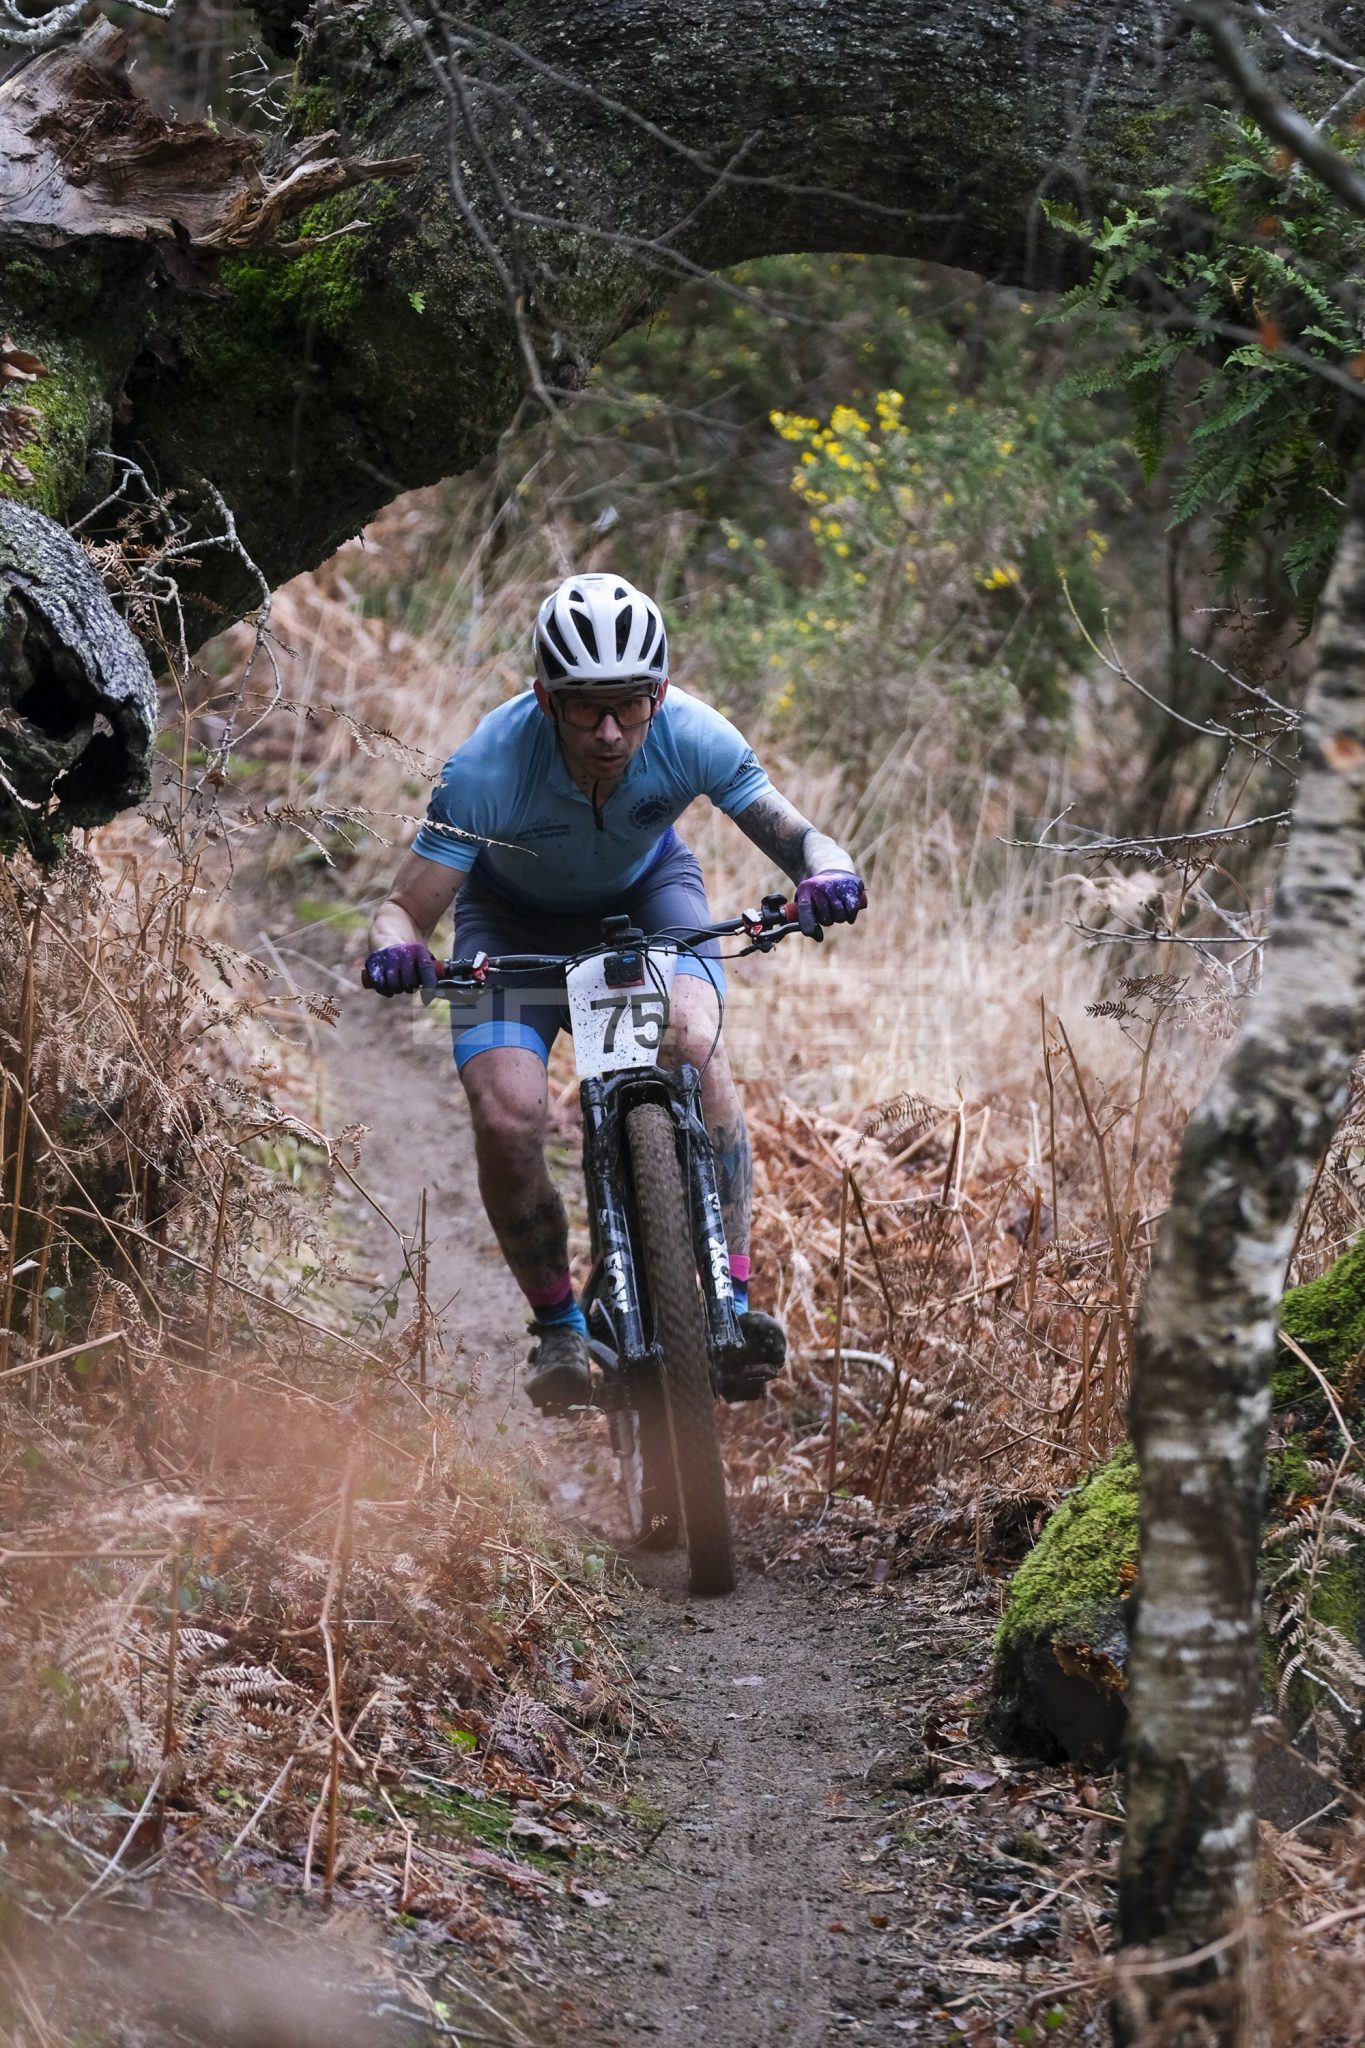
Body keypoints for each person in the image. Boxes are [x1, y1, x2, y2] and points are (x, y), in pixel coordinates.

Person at [364, 572, 865, 1414]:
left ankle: (731, 1301)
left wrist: (828, 874)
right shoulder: (486, 768)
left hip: (648, 898)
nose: (608, 732)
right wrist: (396, 952)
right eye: (584, 709)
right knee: (508, 1117)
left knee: (694, 1045)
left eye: (629, 706)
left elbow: (803, 839)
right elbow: (402, 910)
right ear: (545, 699)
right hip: (510, 924)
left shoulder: (692, 733)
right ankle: (559, 1326)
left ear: (657, 694)